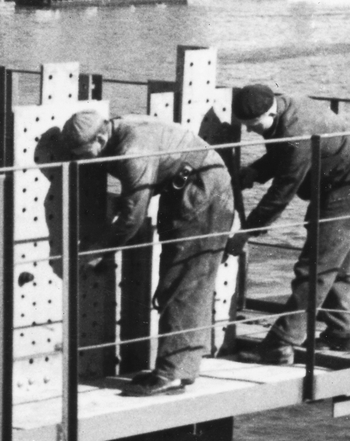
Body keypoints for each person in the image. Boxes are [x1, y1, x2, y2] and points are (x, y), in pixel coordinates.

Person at [59, 109, 237, 396]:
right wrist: (131, 197)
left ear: (101, 137)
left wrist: (100, 251)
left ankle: (172, 374)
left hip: (203, 193)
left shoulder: (132, 150)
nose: (81, 159)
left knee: (183, 284)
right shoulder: (122, 130)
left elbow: (133, 218)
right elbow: (154, 173)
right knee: (179, 281)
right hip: (188, 184)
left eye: (83, 152)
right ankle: (179, 367)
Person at [226, 84, 350, 364]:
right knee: (333, 265)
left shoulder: (297, 130)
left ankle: (280, 343)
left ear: (271, 112)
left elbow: (284, 188)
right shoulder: (284, 108)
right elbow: (282, 155)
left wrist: (247, 231)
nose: (249, 131)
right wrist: (256, 172)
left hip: (348, 187)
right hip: (335, 182)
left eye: (253, 125)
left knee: (314, 268)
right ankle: (342, 333)